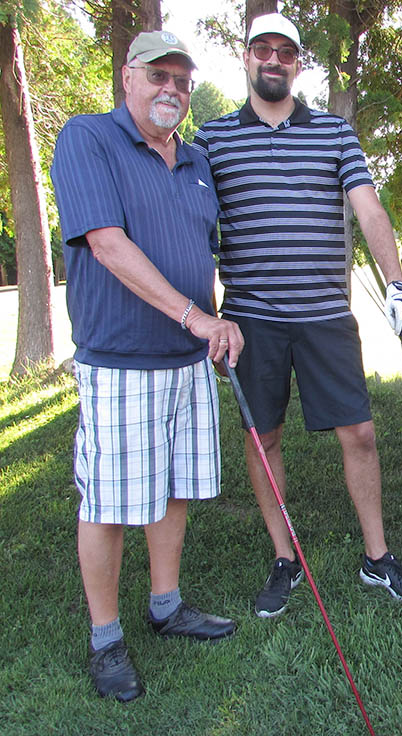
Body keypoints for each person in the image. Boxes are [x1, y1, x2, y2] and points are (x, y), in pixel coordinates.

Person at [193, 13, 402, 618]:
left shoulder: (334, 132)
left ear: (298, 64)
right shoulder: (211, 140)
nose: (274, 60)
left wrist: (397, 284)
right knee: (262, 435)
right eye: (263, 50)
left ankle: (376, 557)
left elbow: (369, 210)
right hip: (251, 319)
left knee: (360, 432)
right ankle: (284, 557)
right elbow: (189, 222)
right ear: (246, 58)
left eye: (286, 52)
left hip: (325, 315)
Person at [51, 30, 245, 703]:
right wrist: (196, 317)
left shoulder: (194, 161)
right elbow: (106, 244)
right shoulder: (88, 138)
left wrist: (221, 324)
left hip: (188, 360)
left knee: (175, 486)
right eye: (158, 75)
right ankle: (106, 639)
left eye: (183, 81)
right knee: (107, 502)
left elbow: (207, 251)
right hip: (122, 358)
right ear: (127, 78)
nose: (172, 90)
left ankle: (166, 605)